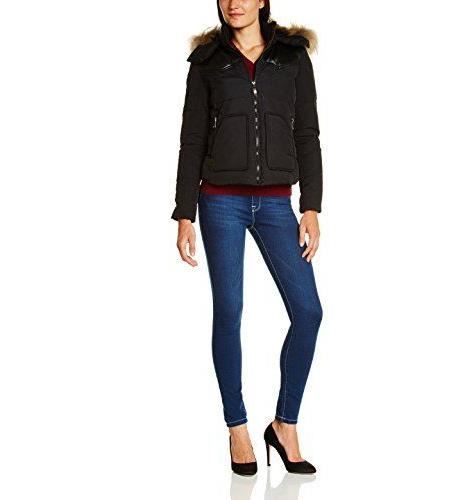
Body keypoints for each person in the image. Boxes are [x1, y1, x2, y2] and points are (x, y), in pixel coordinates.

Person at [171, 0, 323, 475]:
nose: (234, 3)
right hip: (220, 202)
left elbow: (307, 133)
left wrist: (312, 206)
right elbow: (192, 138)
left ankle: (284, 424)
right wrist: (184, 213)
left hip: (277, 204)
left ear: (262, 0)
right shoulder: (207, 61)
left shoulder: (292, 56)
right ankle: (237, 427)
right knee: (230, 311)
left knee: (308, 312)